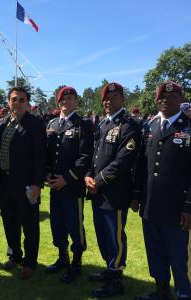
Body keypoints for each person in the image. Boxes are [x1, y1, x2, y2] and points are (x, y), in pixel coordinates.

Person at [133, 81, 191, 300]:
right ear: (157, 101)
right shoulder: (151, 127)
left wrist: (189, 207)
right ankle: (161, 290)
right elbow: (142, 164)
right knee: (155, 251)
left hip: (177, 207)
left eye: (172, 97)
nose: (166, 101)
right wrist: (137, 195)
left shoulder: (188, 127)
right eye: (162, 98)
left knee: (178, 255)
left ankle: (184, 293)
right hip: (151, 203)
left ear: (180, 99)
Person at [85, 82, 141, 298]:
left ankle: (116, 280)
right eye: (106, 98)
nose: (109, 101)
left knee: (115, 237)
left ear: (122, 100)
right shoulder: (102, 124)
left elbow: (123, 161)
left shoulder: (129, 125)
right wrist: (88, 175)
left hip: (115, 194)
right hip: (98, 192)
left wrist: (97, 181)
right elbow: (95, 155)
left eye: (114, 97)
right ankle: (109, 270)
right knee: (103, 235)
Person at [45, 86, 94, 283]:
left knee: (75, 225)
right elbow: (47, 153)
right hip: (55, 186)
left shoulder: (83, 124)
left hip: (72, 187)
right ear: (59, 102)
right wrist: (47, 173)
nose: (67, 102)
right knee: (57, 224)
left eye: (71, 98)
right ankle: (62, 257)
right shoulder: (52, 124)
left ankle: (77, 262)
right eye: (63, 99)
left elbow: (85, 157)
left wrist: (67, 178)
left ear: (76, 101)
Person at [0, 86, 46, 280]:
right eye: (14, 99)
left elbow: (41, 157)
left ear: (28, 103)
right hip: (5, 181)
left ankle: (29, 261)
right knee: (9, 221)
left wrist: (37, 184)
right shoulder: (3, 123)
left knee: (29, 224)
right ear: (8, 101)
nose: (17, 103)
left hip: (27, 183)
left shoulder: (35, 124)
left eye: (22, 100)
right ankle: (14, 255)